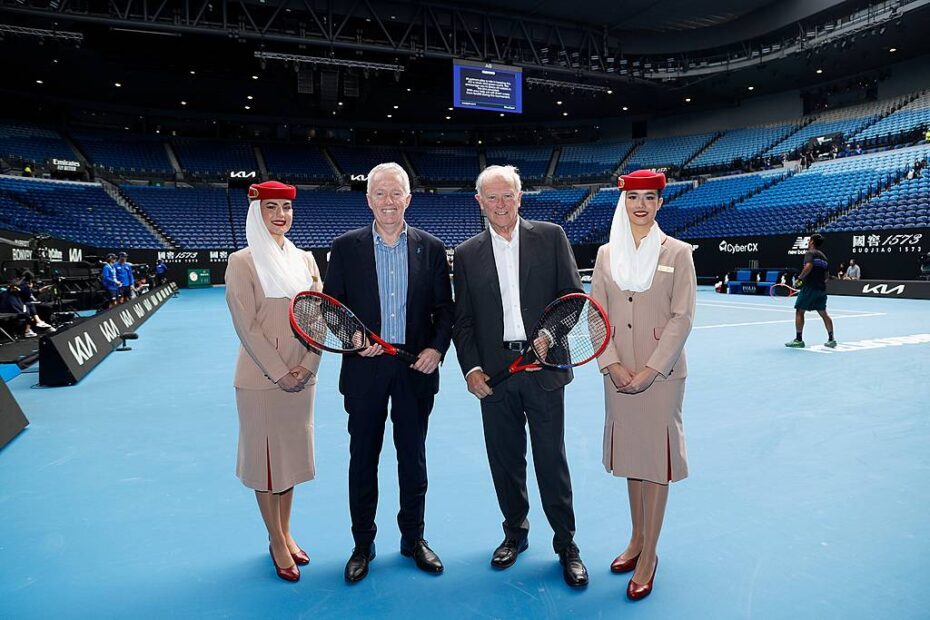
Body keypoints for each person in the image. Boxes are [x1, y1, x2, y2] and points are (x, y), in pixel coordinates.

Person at [452, 165, 589, 588]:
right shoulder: (467, 253)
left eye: (507, 195)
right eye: (491, 198)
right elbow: (463, 322)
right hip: (496, 377)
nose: (500, 204)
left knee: (552, 460)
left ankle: (566, 544)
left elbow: (573, 300)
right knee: (505, 461)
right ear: (479, 202)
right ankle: (515, 533)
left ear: (520, 196)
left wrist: (549, 334)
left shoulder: (550, 237)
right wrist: (472, 370)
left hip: (543, 371)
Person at [324, 162, 454, 583]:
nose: (388, 201)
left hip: (415, 370)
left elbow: (445, 310)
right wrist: (352, 339)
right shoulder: (345, 248)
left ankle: (413, 539)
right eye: (379, 193)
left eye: (396, 193)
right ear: (368, 200)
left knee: (412, 460)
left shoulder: (431, 248)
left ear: (408, 199)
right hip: (365, 373)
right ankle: (363, 544)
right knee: (363, 459)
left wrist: (436, 347)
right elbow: (332, 308)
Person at [589, 169, 696, 601]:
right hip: (618, 376)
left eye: (650, 198)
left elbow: (682, 317)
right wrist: (611, 364)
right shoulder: (605, 254)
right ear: (623, 200)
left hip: (661, 377)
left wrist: (651, 369)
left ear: (660, 203)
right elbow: (595, 315)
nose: (641, 205)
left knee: (656, 466)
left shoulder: (679, 252)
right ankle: (635, 539)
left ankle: (649, 554)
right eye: (634, 197)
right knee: (633, 461)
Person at [225, 181, 323, 583]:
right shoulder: (242, 262)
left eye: (286, 207)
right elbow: (246, 326)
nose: (281, 214)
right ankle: (276, 540)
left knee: (287, 463)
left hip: (303, 380)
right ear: (256, 212)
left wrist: (308, 367)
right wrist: (280, 372)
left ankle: (285, 530)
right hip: (263, 382)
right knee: (267, 465)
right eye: (272, 208)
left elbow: (320, 319)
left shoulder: (306, 260)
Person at [786, 233, 836, 348]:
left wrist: (800, 279)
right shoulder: (824, 257)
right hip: (821, 289)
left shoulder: (810, 253)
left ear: (812, 241)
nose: (808, 242)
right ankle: (831, 339)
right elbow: (826, 276)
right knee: (824, 313)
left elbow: (808, 266)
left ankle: (798, 340)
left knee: (799, 311)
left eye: (809, 240)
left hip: (809, 288)